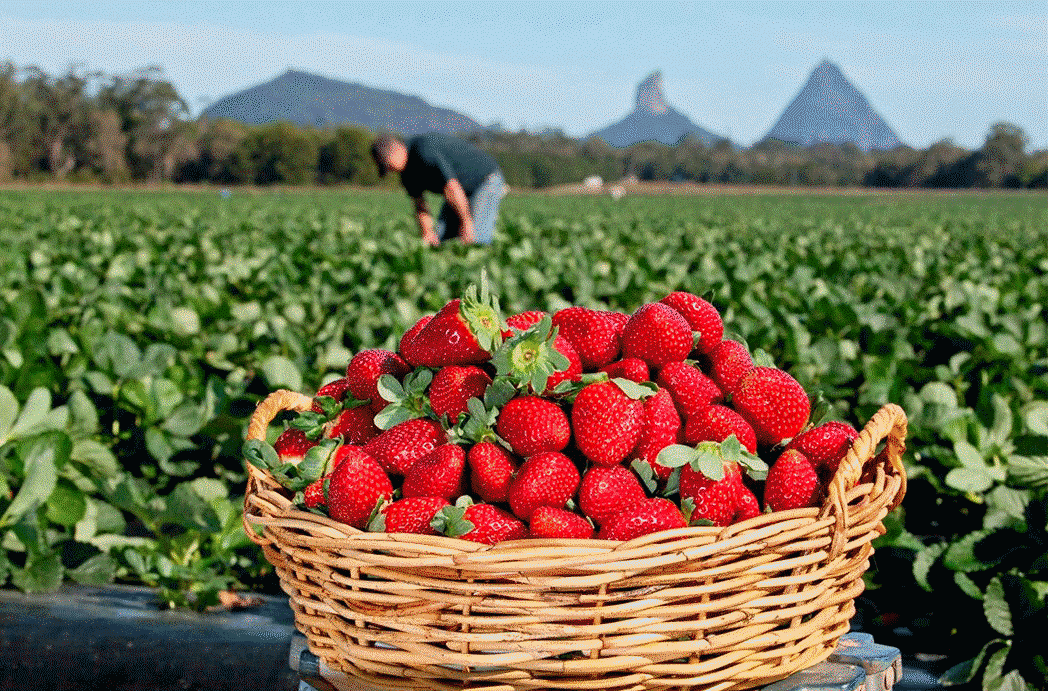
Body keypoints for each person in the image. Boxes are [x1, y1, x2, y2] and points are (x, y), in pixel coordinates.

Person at [371, 133, 506, 246]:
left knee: (474, 238)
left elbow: (452, 187)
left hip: (485, 180)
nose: (389, 170)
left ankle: (482, 275)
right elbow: (420, 205)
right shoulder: (406, 174)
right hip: (459, 191)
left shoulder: (423, 151)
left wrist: (466, 223)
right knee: (443, 239)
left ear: (396, 151)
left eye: (387, 165)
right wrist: (427, 232)